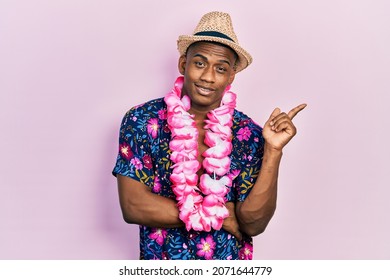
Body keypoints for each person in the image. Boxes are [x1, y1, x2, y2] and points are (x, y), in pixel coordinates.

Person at [112, 11, 306, 260]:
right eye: (200, 63)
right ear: (184, 64)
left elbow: (253, 224)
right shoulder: (141, 121)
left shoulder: (250, 135)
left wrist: (273, 151)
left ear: (231, 77)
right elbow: (133, 206)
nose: (208, 77)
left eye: (221, 68)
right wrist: (221, 216)